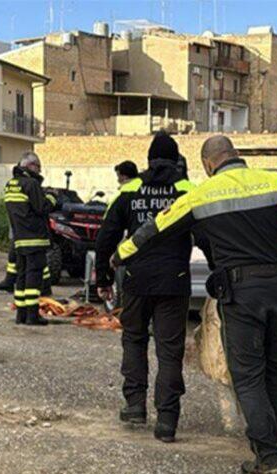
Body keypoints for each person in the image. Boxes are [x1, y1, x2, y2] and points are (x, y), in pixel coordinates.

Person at [111, 135, 277, 474]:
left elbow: (156, 228)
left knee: (248, 375)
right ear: (235, 155)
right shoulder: (276, 181)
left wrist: (122, 253)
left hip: (240, 293)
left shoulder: (202, 194)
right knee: (275, 368)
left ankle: (268, 458)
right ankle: (274, 443)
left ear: (209, 164)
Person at [95, 132, 196, 442]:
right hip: (174, 282)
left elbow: (106, 236)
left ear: (149, 159)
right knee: (169, 351)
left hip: (136, 280)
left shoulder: (130, 190)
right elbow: (209, 235)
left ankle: (135, 405)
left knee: (134, 340)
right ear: (176, 158)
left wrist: (103, 279)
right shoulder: (187, 190)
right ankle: (167, 421)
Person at [3, 151, 58, 325]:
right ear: (30, 166)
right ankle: (33, 316)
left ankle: (21, 315)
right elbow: (42, 208)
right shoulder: (31, 184)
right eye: (38, 167)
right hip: (34, 238)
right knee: (34, 277)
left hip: (19, 238)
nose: (40, 171)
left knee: (22, 276)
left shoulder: (11, 184)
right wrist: (52, 196)